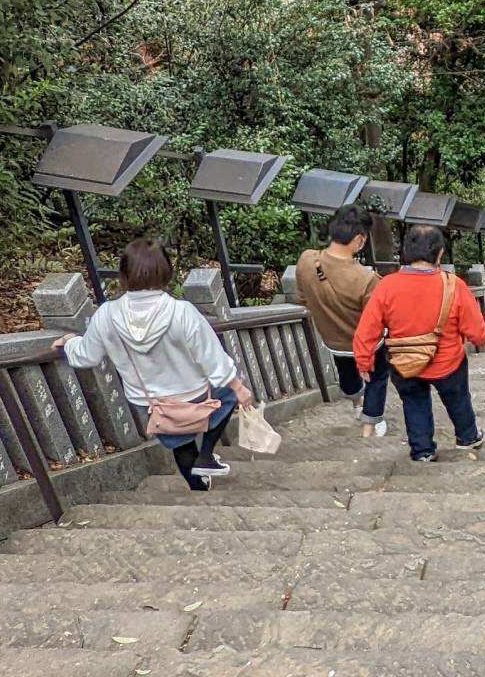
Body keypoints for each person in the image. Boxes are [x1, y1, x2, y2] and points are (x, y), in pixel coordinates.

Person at [61, 237, 254, 490]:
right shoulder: (181, 311)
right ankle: (206, 455)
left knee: (181, 444)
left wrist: (68, 343)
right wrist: (239, 388)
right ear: (166, 271)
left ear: (124, 273)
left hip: (152, 403)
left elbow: (85, 356)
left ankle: (199, 490)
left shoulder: (106, 315)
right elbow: (211, 357)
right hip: (193, 394)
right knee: (227, 395)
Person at [354, 225, 485, 463]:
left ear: (406, 251)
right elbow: (474, 326)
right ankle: (467, 438)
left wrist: (364, 361)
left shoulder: (387, 285)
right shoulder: (453, 284)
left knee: (414, 403)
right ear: (439, 254)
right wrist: (480, 339)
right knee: (458, 399)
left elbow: (367, 329)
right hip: (447, 361)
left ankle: (422, 450)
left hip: (404, 362)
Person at [294, 203, 391, 439]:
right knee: (378, 376)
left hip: (333, 341)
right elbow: (375, 322)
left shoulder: (306, 260)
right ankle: (372, 420)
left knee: (347, 375)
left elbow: (303, 298)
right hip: (365, 344)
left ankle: (357, 401)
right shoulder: (366, 279)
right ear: (360, 239)